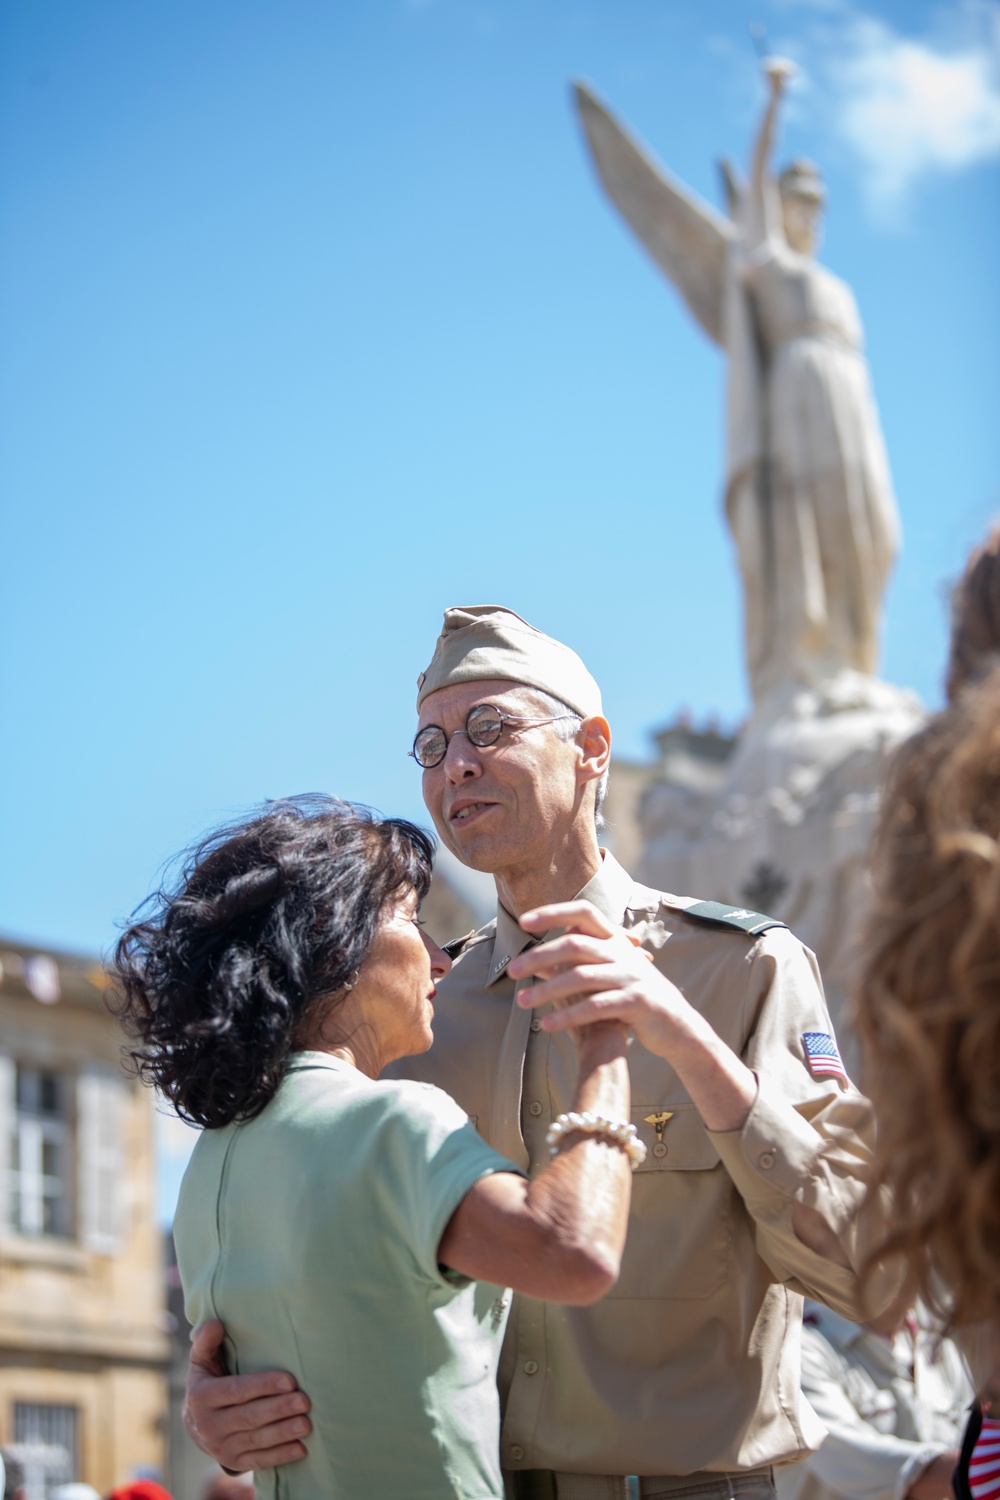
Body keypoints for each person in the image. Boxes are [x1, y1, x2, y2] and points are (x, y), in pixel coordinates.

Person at [184, 606, 890, 1499]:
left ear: (592, 746)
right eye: (431, 747)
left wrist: (688, 1044)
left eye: (489, 728)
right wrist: (220, 1396)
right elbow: (331, 1260)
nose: (457, 766)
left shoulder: (741, 969)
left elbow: (868, 1268)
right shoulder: (417, 1014)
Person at [115, 796, 634, 1499]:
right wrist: (606, 1049)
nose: (442, 958)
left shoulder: (207, 1165)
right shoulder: (393, 1121)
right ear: (335, 941)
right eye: (412, 921)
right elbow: (572, 1251)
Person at [575, 60, 899, 707]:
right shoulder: (764, 260)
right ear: (777, 208)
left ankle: (856, 665)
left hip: (849, 398)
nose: (810, 216)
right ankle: (812, 667)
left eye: (818, 206)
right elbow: (754, 177)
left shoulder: (835, 282)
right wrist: (773, 102)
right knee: (806, 525)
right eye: (797, 203)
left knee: (875, 535)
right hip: (797, 397)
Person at [774, 1298, 969, 1500]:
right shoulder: (797, 1345)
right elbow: (850, 1464)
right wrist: (980, 1469)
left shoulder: (937, 1335)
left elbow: (968, 1432)